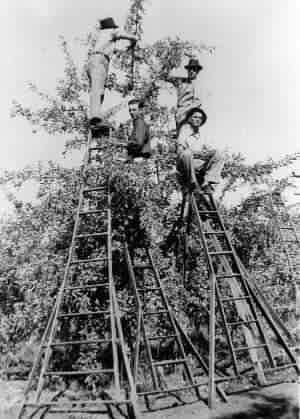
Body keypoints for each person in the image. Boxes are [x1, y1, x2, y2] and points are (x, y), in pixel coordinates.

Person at [87, 17, 138, 136]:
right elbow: (125, 35)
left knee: (99, 91)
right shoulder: (110, 32)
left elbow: (119, 49)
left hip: (98, 61)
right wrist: (134, 39)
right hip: (99, 60)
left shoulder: (104, 38)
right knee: (97, 90)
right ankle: (95, 117)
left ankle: (97, 120)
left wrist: (129, 47)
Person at [176, 108, 225, 195]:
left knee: (219, 154)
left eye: (200, 118)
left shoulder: (203, 136)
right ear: (190, 118)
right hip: (186, 166)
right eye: (195, 117)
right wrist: (198, 153)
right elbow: (181, 151)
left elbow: (209, 151)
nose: (198, 119)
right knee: (186, 153)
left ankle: (209, 183)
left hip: (200, 165)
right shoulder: (184, 132)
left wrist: (205, 153)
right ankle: (192, 183)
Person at [167, 58, 203, 135]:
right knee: (177, 137)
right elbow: (166, 77)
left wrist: (185, 111)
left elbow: (198, 103)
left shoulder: (199, 85)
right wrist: (170, 63)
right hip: (179, 114)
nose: (191, 71)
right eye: (190, 69)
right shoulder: (181, 81)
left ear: (197, 71)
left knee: (187, 135)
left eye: (194, 69)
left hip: (189, 114)